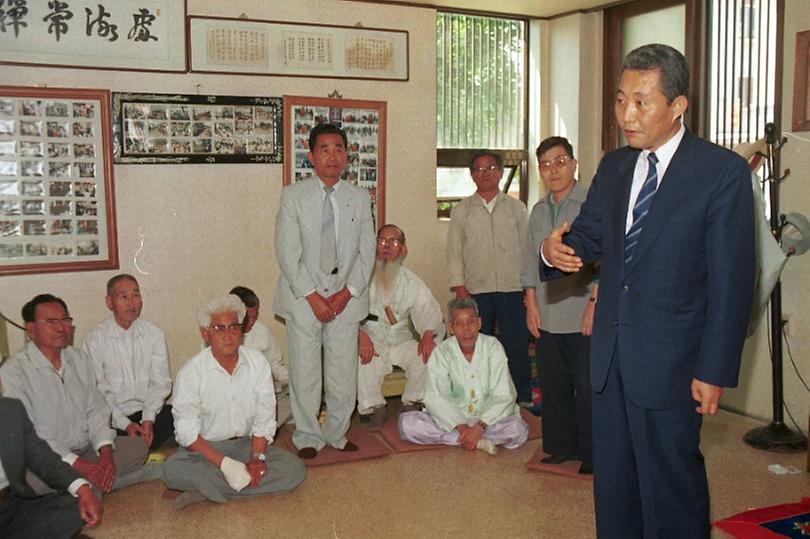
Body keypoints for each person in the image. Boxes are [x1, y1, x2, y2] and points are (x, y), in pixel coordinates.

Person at [540, 44, 755, 538]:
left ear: (678, 106)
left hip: (675, 362)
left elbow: (732, 281)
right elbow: (588, 236)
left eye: (641, 101)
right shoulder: (616, 167)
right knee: (614, 487)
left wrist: (714, 368)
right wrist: (555, 252)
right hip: (611, 356)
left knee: (671, 486)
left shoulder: (720, 174)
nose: (626, 115)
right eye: (620, 100)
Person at [273, 123, 375, 459]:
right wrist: (313, 296)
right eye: (325, 149)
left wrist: (347, 293)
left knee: (343, 371)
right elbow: (287, 253)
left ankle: (337, 432)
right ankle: (307, 436)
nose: (333, 156)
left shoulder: (359, 198)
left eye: (339, 149)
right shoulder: (293, 196)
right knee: (305, 370)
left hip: (347, 295)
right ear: (311, 155)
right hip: (304, 296)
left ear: (347, 155)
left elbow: (367, 252)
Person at [0, 294, 155, 496]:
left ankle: (84, 484)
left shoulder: (79, 359)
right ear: (30, 329)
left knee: (138, 447)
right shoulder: (14, 371)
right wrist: (81, 465)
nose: (61, 327)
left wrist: (106, 453)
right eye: (51, 321)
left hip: (87, 448)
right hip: (47, 459)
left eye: (65, 320)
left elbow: (97, 410)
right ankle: (109, 480)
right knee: (27, 479)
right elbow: (32, 434)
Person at [163, 295, 306, 509]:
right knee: (172, 469)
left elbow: (265, 416)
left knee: (294, 469)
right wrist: (227, 465)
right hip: (206, 452)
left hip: (247, 445)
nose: (228, 335)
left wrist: (256, 458)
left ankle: (209, 491)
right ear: (206, 334)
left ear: (241, 330)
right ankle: (226, 484)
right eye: (219, 329)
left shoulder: (258, 363)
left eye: (233, 327)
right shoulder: (191, 372)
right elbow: (186, 432)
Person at [522, 137, 597, 475]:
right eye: (546, 164)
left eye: (560, 161)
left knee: (588, 386)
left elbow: (605, 259)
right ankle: (559, 446)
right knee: (553, 385)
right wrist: (530, 304)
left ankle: (592, 452)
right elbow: (528, 262)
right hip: (548, 313)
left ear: (574, 163)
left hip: (582, 311)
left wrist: (596, 301)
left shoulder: (590, 205)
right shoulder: (537, 210)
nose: (553, 170)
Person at [446, 151, 532, 406]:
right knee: (476, 347)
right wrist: (460, 288)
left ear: (501, 172)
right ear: (472, 175)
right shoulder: (461, 211)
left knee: (516, 346)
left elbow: (527, 248)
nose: (485, 173)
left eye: (490, 167)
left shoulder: (516, 208)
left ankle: (522, 397)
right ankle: (479, 398)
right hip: (475, 291)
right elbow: (454, 252)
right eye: (479, 169)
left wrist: (529, 289)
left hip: (512, 289)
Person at [398, 298, 528, 455]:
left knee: (518, 429)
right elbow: (437, 396)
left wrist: (479, 426)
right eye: (459, 323)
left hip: (488, 421)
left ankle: (464, 438)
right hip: (453, 421)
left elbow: (503, 394)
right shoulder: (442, 352)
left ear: (479, 323)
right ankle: (477, 441)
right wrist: (461, 426)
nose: (466, 329)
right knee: (407, 424)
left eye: (471, 322)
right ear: (451, 328)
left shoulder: (493, 347)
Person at [356, 224, 445, 430]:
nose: (387, 246)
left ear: (403, 250)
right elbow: (346, 312)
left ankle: (411, 404)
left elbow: (428, 308)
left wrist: (428, 334)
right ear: (374, 246)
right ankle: (375, 408)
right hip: (372, 338)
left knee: (425, 356)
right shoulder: (361, 276)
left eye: (394, 242)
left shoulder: (410, 280)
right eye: (382, 241)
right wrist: (359, 334)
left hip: (401, 339)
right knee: (363, 360)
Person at [84, 274, 174, 451]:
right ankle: (136, 449)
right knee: (94, 429)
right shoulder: (95, 339)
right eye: (123, 297)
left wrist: (148, 419)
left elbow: (160, 383)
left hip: (147, 416)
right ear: (109, 302)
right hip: (113, 419)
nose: (131, 303)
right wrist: (125, 424)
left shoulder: (154, 334)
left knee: (174, 414)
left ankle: (135, 448)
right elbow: (98, 391)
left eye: (135, 295)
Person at [0, 393, 103, 537]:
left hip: (13, 503)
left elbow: (42, 457)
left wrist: (82, 488)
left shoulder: (10, 409)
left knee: (76, 505)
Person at [230, 286, 292, 425]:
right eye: (247, 318)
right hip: (232, 398)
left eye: (255, 316)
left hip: (261, 395)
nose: (251, 323)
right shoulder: (222, 336)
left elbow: (275, 363)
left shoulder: (262, 331)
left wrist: (289, 380)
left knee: (292, 401)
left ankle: (257, 427)